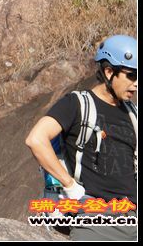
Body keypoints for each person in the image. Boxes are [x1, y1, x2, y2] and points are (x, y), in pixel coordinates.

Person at [25, 34, 137, 241]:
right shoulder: (76, 104)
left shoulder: (133, 113)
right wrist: (71, 187)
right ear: (109, 71)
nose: (136, 83)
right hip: (96, 222)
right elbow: (36, 139)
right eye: (131, 75)